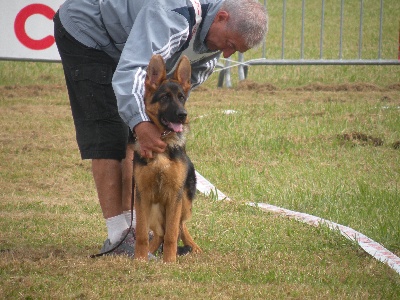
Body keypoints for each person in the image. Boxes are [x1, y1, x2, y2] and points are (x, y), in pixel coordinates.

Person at [53, 0, 268, 257]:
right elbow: (131, 70)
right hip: (88, 32)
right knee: (109, 134)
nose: (228, 55)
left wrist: (154, 124)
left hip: (123, 45)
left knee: (133, 137)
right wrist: (141, 124)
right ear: (221, 18)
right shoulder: (174, 15)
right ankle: (119, 238)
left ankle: (134, 228)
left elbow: (174, 92)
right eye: (231, 45)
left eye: (236, 51)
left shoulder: (211, 47)